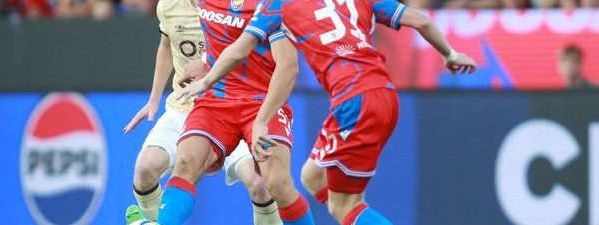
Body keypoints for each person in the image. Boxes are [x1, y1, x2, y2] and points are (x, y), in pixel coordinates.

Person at [182, 0, 477, 224]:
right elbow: (422, 20)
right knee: (312, 177)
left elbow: (239, 50)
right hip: (384, 95)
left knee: (344, 205)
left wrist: (207, 80)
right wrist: (450, 55)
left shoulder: (280, 4)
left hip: (354, 101)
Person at [137, 0, 317, 223]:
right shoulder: (198, 3)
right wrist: (204, 62)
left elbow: (288, 66)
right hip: (217, 98)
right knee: (185, 164)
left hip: (261, 101)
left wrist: (262, 119)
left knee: (276, 183)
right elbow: (214, 37)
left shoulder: (271, 4)